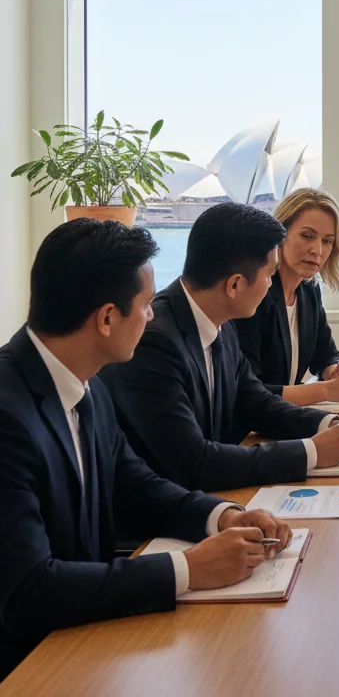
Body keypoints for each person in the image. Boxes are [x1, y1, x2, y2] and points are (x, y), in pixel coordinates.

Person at [0, 219, 293, 679]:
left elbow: (135, 483)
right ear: (107, 318)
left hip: (90, 639)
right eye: (143, 307)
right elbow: (28, 590)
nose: (153, 315)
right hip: (31, 665)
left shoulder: (85, 382)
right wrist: (187, 570)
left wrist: (222, 516)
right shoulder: (7, 414)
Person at [101, 203, 339, 492]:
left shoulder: (219, 322)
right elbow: (194, 462)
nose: (270, 284)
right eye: (268, 275)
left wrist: (330, 423)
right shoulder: (155, 341)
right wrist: (310, 452)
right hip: (162, 518)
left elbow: (255, 402)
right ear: (234, 285)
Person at [235, 188, 339, 406]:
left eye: (327, 241)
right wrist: (327, 390)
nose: (317, 250)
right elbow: (249, 391)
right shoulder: (254, 294)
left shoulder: (309, 290)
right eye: (307, 236)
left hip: (283, 418)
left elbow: (325, 353)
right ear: (280, 235)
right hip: (249, 428)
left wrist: (337, 371)